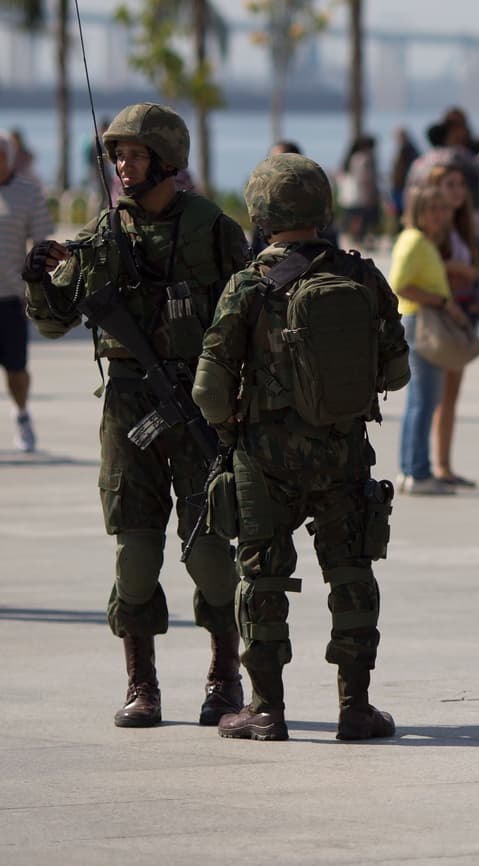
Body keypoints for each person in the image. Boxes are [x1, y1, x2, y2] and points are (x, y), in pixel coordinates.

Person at [22, 103, 250, 728]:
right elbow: (52, 323)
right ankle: (141, 683)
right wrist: (40, 279)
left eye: (137, 153)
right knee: (136, 552)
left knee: (209, 551)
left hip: (200, 407)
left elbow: (251, 319)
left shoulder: (213, 230)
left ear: (168, 160)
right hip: (129, 409)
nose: (124, 164)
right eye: (118, 154)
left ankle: (225, 677)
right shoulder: (101, 237)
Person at [192, 153, 410, 741]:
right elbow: (397, 373)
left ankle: (266, 708)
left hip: (264, 458)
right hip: (343, 452)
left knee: (262, 577)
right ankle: (356, 707)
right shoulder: (363, 276)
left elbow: (209, 388)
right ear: (323, 207)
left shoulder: (249, 285)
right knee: (351, 571)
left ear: (261, 214)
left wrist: (236, 424)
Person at [390, 184, 466, 496]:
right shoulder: (415, 241)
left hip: (421, 319)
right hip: (420, 321)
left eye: (443, 209)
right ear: (418, 211)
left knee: (420, 401)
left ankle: (411, 469)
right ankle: (417, 472)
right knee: (424, 401)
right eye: (432, 209)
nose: (439, 215)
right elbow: (399, 284)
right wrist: (441, 302)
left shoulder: (424, 242)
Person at [421, 163, 479, 488]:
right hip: (440, 314)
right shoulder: (432, 229)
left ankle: (444, 462)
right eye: (449, 185)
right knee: (433, 395)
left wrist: (470, 272)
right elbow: (426, 267)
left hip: (463, 310)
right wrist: (457, 267)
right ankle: (433, 464)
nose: (457, 191)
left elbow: (474, 267)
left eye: (460, 184)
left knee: (451, 393)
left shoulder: (463, 226)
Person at [1, 132, 53, 452]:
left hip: (10, 296)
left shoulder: (28, 193)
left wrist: (35, 293)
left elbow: (42, 246)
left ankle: (21, 414)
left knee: (16, 369)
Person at [337, 134, 380, 247]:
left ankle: (355, 238)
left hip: (350, 194)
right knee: (363, 218)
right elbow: (365, 178)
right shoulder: (364, 158)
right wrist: (370, 194)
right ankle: (360, 240)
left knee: (355, 218)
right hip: (361, 193)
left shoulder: (351, 157)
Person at [389, 126, 420, 219]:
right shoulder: (405, 149)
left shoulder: (409, 150)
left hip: (404, 188)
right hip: (399, 188)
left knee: (403, 214)